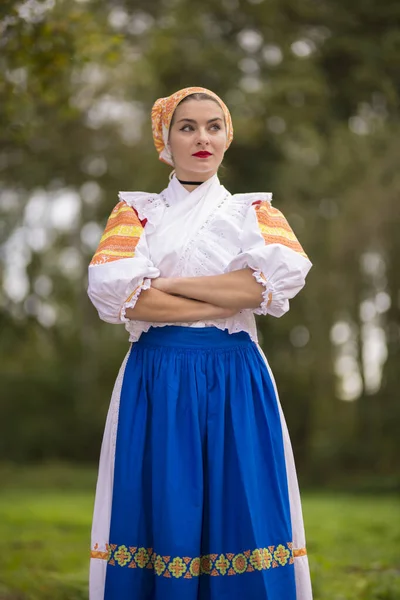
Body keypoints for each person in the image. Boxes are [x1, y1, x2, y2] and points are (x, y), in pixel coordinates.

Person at [87, 86, 313, 600]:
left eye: (214, 126)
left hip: (236, 374)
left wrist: (161, 284)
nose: (202, 138)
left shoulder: (252, 212)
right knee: (162, 505)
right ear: (164, 139)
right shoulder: (135, 213)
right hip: (156, 376)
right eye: (186, 127)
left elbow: (266, 286)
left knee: (245, 503)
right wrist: (225, 298)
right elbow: (124, 297)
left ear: (227, 137)